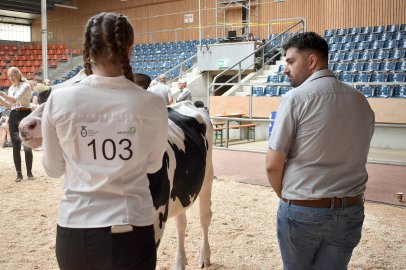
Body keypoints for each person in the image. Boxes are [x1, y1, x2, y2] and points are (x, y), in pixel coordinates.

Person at [41, 12, 168, 270]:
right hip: (134, 229)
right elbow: (154, 166)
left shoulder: (59, 99)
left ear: (87, 51)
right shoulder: (153, 103)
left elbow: (53, 169)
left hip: (77, 229)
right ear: (130, 49)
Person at [265, 32, 375, 270]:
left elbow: (273, 164)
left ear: (312, 61)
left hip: (303, 210)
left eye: (291, 61)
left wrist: (288, 198)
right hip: (350, 210)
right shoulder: (361, 100)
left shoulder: (294, 99)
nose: (285, 68)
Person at [0, 67, 34, 182]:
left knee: (27, 144)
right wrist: (1, 99)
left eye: (13, 75)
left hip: (25, 113)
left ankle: (29, 172)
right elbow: (10, 105)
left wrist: (2, 94)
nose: (11, 78)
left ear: (18, 75)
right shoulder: (10, 88)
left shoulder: (26, 86)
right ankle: (19, 173)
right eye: (9, 76)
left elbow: (15, 100)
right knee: (15, 146)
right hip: (14, 115)